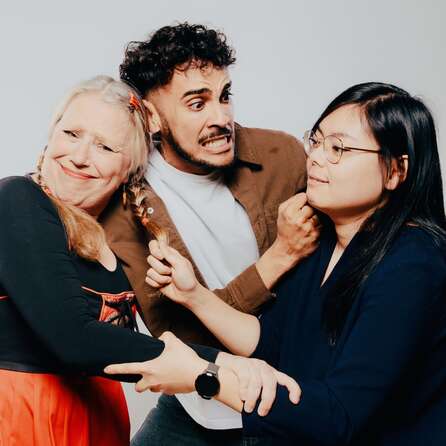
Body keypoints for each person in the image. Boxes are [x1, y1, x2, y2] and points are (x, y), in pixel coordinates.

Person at [107, 82, 446, 445]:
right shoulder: (323, 238)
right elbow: (270, 342)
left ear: (396, 170)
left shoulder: (413, 265)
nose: (315, 158)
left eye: (338, 149)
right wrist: (194, 296)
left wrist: (203, 377)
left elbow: (338, 418)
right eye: (316, 141)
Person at [0, 75, 295, 446]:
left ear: (131, 167)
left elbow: (134, 341)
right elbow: (73, 338)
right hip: (24, 417)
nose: (79, 156)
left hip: (96, 419)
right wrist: (215, 370)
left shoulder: (115, 239)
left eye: (105, 147)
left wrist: (233, 360)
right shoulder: (17, 198)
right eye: (71, 134)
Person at [100, 22, 319, 445]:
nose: (222, 118)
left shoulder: (282, 156)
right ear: (151, 116)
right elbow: (179, 338)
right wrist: (280, 257)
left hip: (291, 393)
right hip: (197, 403)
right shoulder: (123, 206)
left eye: (225, 96)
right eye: (197, 104)